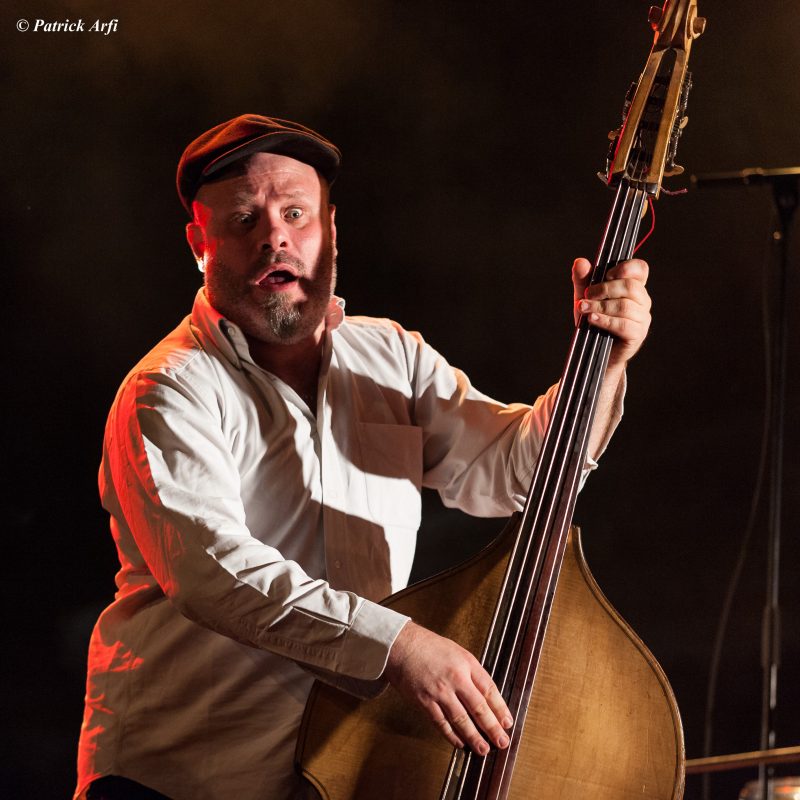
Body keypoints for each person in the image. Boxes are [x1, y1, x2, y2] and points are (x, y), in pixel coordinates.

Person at [75, 114, 652, 800]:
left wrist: (603, 365)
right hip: (177, 782)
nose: (274, 237)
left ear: (331, 229)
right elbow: (214, 572)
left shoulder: (392, 356)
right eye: (243, 220)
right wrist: (399, 645)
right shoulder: (167, 389)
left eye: (296, 213)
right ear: (201, 244)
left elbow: (518, 474)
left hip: (334, 776)